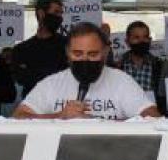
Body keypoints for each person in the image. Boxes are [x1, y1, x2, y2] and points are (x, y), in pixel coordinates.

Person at [14, 23, 159, 120]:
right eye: (77, 54)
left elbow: (152, 117)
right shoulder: (52, 83)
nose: (85, 60)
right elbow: (18, 116)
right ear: (67, 52)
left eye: (92, 54)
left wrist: (99, 124)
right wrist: (59, 116)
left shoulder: (122, 81)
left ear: (105, 52)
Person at [11, 0, 68, 98]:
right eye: (56, 12)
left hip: (60, 103)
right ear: (41, 14)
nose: (59, 17)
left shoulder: (68, 45)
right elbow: (21, 78)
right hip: (31, 106)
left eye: (60, 13)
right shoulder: (21, 49)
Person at [117, 21, 165, 96]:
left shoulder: (160, 66)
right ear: (127, 42)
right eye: (136, 38)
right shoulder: (118, 67)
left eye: (145, 37)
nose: (141, 41)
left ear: (150, 40)